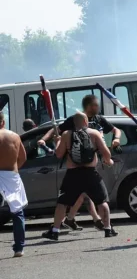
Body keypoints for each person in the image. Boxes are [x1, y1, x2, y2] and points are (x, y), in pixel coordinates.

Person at [38, 95, 122, 231]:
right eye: (95, 105)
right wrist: (109, 160)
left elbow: (58, 153)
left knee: (66, 200)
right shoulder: (89, 130)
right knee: (98, 199)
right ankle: (105, 227)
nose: (97, 107)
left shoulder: (95, 121)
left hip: (74, 170)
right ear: (88, 108)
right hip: (91, 169)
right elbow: (56, 129)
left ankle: (58, 228)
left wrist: (57, 142)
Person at [0, 111, 27, 257]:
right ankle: (19, 248)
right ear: (3, 122)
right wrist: (14, 168)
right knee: (17, 213)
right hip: (11, 176)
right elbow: (23, 157)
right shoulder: (15, 137)